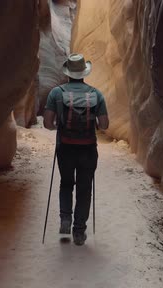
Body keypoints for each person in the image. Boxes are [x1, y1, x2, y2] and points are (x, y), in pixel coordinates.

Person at [43, 53, 109, 246]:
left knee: (66, 183)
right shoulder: (96, 94)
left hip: (65, 147)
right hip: (88, 149)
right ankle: (79, 232)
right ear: (83, 73)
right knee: (84, 188)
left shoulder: (56, 93)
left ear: (68, 73)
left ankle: (65, 219)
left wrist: (60, 126)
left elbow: (47, 123)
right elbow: (104, 125)